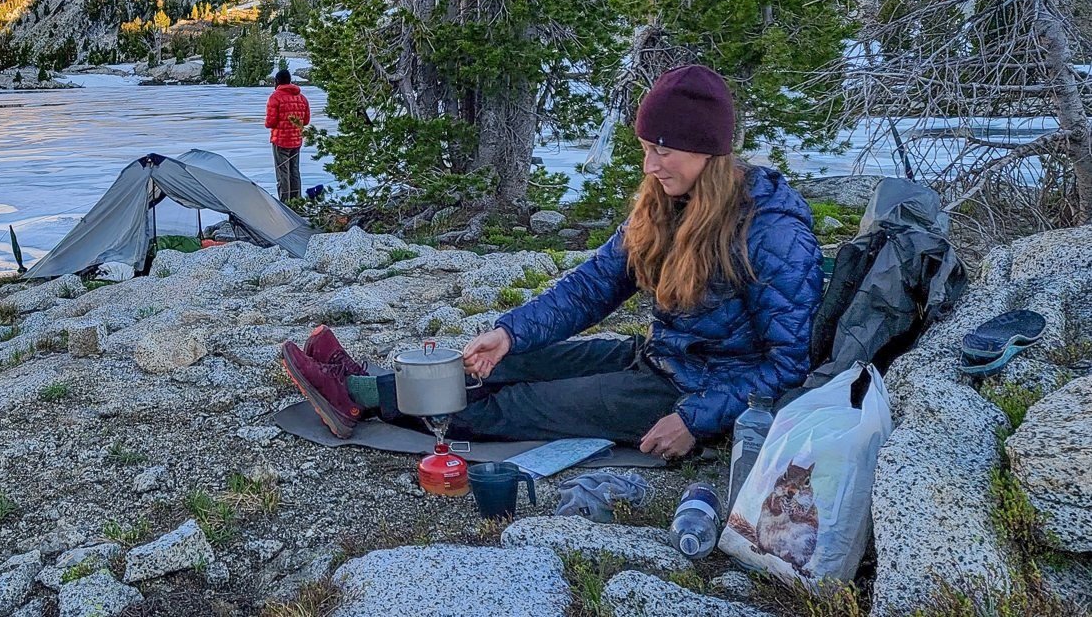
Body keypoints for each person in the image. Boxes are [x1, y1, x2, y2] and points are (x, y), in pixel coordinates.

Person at [279, 65, 824, 460]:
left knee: (513, 407)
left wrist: (695, 419)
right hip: (653, 358)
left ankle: (356, 400)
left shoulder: (771, 231)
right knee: (492, 366)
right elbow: (590, 288)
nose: (651, 164)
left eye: (664, 150)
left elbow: (788, 366)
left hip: (695, 392)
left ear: (709, 150)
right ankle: (369, 383)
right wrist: (510, 335)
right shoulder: (665, 203)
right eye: (645, 148)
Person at [265, 68, 310, 202]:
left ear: (277, 81)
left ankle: (285, 204)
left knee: (283, 172)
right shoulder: (301, 98)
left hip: (280, 141)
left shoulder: (275, 97)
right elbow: (306, 121)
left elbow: (270, 122)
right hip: (296, 140)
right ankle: (297, 201)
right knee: (294, 171)